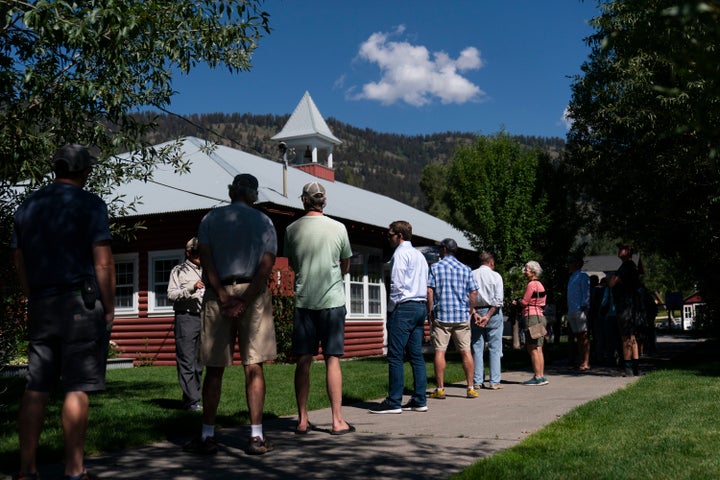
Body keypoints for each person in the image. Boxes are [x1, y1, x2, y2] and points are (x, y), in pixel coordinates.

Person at [11, 144, 116, 480]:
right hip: (79, 304)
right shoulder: (90, 204)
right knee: (76, 387)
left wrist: (33, 295)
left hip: (43, 303)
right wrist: (109, 308)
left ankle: (26, 469)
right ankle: (74, 470)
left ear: (56, 169)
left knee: (36, 386)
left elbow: (18, 258)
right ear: (84, 171)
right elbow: (103, 260)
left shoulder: (29, 205)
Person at [183, 174, 277, 456]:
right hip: (254, 293)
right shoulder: (264, 221)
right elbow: (266, 265)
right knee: (254, 365)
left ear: (231, 191)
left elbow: (206, 259)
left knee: (214, 367)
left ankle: (208, 435)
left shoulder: (211, 219)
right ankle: (257, 437)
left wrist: (224, 296)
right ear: (254, 194)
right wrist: (245, 299)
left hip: (217, 293)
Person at [284, 181, 355, 434]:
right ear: (323, 201)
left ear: (304, 200)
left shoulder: (292, 229)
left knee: (303, 360)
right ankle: (337, 421)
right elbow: (345, 263)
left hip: (304, 302)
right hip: (333, 301)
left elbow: (292, 263)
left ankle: (302, 420)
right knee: (332, 359)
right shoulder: (339, 228)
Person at [370, 221, 429, 414]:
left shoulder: (400, 254)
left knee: (395, 355)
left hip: (404, 307)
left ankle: (394, 401)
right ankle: (420, 399)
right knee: (416, 355)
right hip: (420, 305)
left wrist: (391, 308)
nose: (388, 238)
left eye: (390, 235)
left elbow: (397, 284)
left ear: (400, 236)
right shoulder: (420, 255)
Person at [427, 238, 479, 399]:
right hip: (461, 315)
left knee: (440, 351)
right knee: (466, 351)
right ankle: (470, 387)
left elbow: (430, 291)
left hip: (442, 315)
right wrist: (470, 310)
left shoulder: (435, 267)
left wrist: (430, 311)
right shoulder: (466, 269)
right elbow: (473, 293)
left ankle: (440, 389)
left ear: (444, 250)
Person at [167, 237, 205, 411]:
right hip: (186, 318)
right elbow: (171, 295)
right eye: (195, 252)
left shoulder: (207, 269)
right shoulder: (178, 270)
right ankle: (191, 400)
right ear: (188, 252)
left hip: (204, 318)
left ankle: (191, 399)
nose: (199, 255)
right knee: (186, 361)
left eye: (201, 251)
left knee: (198, 363)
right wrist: (191, 288)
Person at [470, 252, 505, 390]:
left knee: (477, 347)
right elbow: (498, 300)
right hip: (493, 313)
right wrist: (488, 316)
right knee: (495, 347)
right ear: (491, 263)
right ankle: (494, 381)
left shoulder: (472, 274)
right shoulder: (496, 276)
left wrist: (475, 313)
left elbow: (467, 297)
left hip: (476, 312)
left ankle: (477, 380)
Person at [607, 243, 640, 376]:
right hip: (630, 304)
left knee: (626, 336)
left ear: (628, 252)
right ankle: (635, 366)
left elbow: (611, 283)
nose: (619, 251)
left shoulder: (626, 267)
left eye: (622, 249)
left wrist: (612, 278)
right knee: (632, 336)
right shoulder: (631, 266)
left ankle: (627, 366)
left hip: (625, 305)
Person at [517, 260, 549, 386]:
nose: (524, 272)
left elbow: (525, 302)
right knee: (539, 347)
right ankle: (541, 375)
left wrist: (518, 301)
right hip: (540, 315)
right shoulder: (541, 284)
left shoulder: (531, 285)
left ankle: (537, 376)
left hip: (532, 316)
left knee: (532, 347)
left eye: (526, 269)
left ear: (533, 271)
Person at [566, 255, 591, 371]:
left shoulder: (583, 276)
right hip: (572, 309)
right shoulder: (572, 277)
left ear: (576, 264)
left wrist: (584, 306)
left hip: (580, 309)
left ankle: (586, 362)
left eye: (571, 262)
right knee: (577, 336)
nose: (569, 265)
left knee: (584, 336)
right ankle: (581, 360)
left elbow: (586, 292)